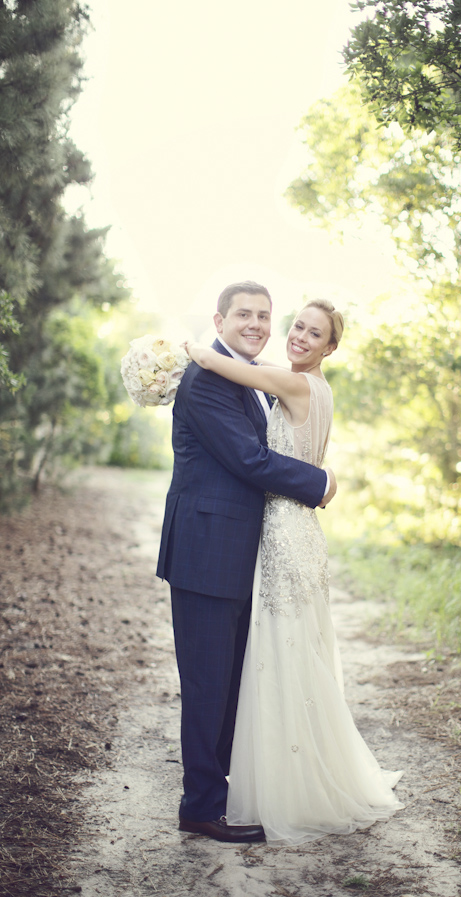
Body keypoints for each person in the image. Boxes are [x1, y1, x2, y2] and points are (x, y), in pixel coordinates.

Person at [187, 299, 402, 846]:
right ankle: (275, 779)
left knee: (279, 653)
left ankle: (287, 785)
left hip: (283, 528)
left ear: (332, 347)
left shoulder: (289, 383)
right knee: (284, 655)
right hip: (290, 530)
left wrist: (190, 353)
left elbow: (234, 372)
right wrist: (321, 482)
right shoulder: (307, 389)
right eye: (298, 327)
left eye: (315, 333)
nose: (300, 337)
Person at [156, 281, 337, 843]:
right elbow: (249, 459)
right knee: (209, 685)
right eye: (244, 315)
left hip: (240, 555)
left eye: (264, 315)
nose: (257, 324)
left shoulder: (252, 379)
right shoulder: (209, 378)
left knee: (231, 683)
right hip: (206, 553)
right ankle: (201, 808)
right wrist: (320, 483)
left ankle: (219, 790)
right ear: (220, 318)